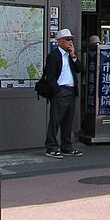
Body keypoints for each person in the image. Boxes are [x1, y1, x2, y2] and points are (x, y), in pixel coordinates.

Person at [42, 27, 83, 158]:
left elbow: (80, 69)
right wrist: (56, 90)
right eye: (67, 39)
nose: (70, 42)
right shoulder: (54, 56)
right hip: (60, 91)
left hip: (71, 91)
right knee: (55, 120)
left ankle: (67, 146)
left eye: (71, 39)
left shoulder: (70, 56)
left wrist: (74, 56)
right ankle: (51, 146)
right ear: (60, 41)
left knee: (68, 120)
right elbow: (50, 76)